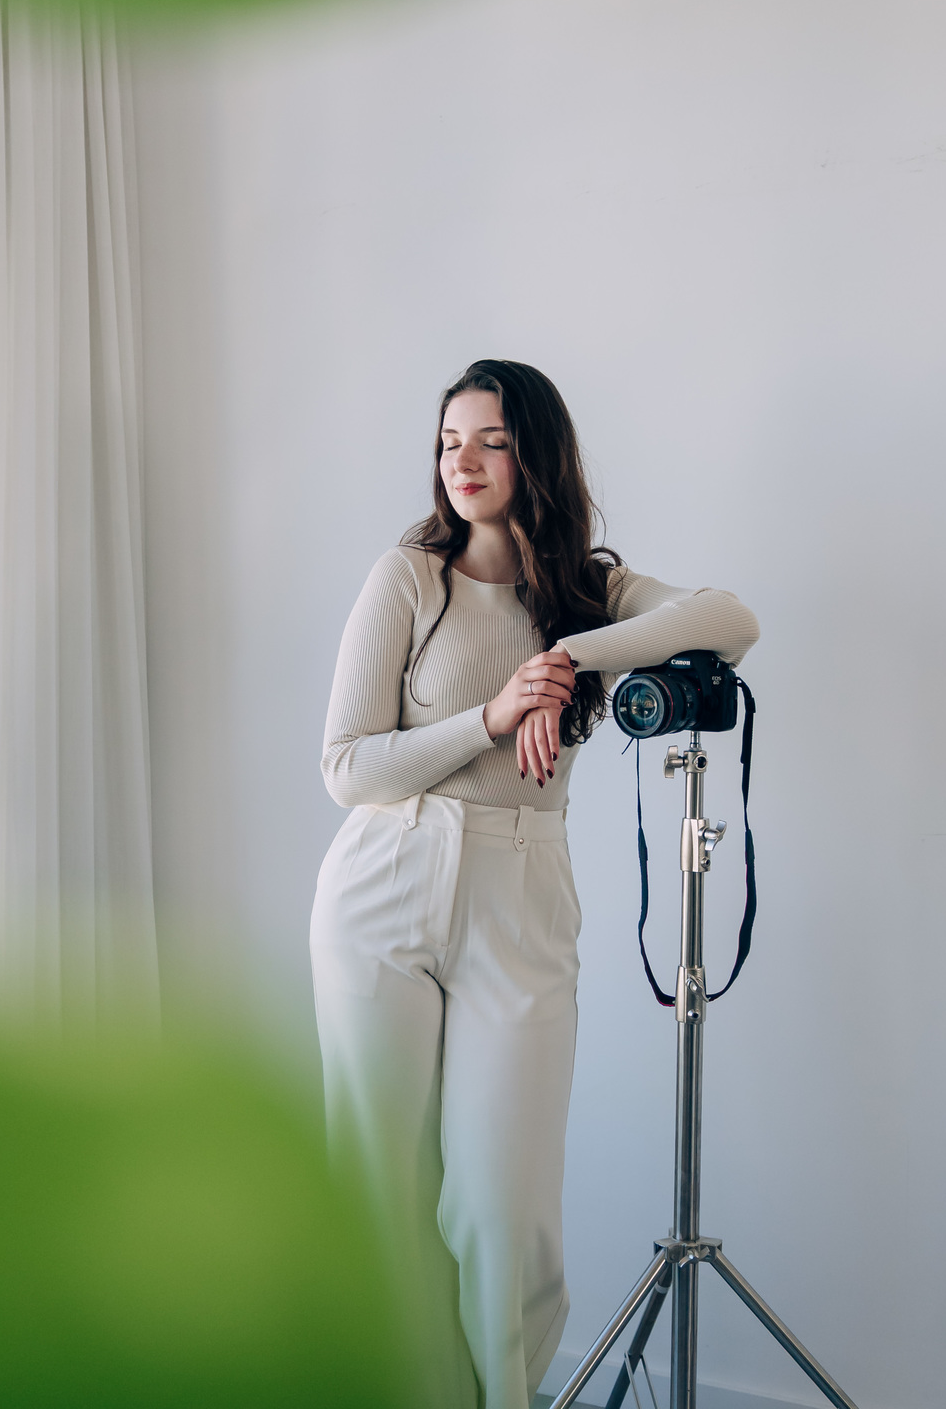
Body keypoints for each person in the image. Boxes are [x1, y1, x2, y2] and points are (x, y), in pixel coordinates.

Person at [310, 360, 759, 1409]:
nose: (461, 463)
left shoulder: (590, 591)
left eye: (492, 442)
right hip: (385, 882)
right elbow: (346, 768)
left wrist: (566, 656)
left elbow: (730, 619)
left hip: (521, 890)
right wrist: (496, 713)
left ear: (538, 456)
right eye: (447, 442)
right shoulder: (409, 578)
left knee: (507, 1212)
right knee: (381, 1195)